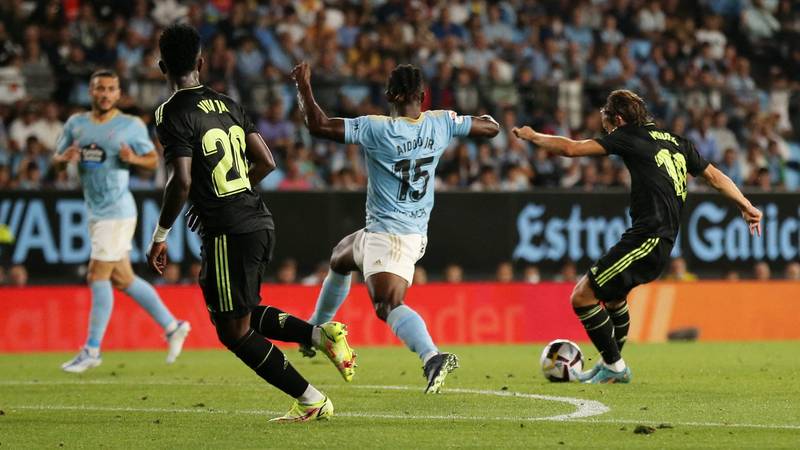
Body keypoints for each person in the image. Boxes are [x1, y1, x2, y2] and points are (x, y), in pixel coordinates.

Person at [146, 24, 355, 423]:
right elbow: (266, 162)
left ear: (161, 67)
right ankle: (319, 335)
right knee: (240, 312)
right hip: (257, 219)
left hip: (228, 229)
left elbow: (181, 180)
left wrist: (161, 235)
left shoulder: (169, 112)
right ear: (201, 63)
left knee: (232, 331)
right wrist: (232, 193)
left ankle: (311, 399)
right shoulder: (228, 104)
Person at [512, 89, 762, 383]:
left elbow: (571, 149)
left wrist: (533, 136)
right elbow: (715, 177)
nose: (605, 125)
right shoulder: (677, 141)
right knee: (614, 299)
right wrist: (745, 204)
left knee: (582, 297)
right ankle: (610, 364)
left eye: (606, 119)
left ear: (618, 119)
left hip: (648, 237)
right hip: (661, 240)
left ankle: (615, 367)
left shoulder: (628, 135)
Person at [291, 61, 499, 393]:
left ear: (389, 95)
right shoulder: (441, 122)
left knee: (387, 305)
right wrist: (481, 120)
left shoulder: (377, 128)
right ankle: (314, 330)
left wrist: (303, 86)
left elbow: (318, 125)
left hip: (392, 237)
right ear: (423, 95)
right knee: (341, 257)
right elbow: (490, 128)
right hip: (401, 231)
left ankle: (432, 356)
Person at [52, 69, 191, 373]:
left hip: (117, 211)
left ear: (118, 94)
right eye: (99, 88)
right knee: (123, 279)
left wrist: (133, 159)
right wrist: (63, 161)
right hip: (95, 211)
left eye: (110, 89)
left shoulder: (130, 125)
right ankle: (173, 326)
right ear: (91, 91)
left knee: (97, 274)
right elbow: (56, 163)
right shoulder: (76, 124)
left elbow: (152, 160)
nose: (105, 94)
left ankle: (92, 349)